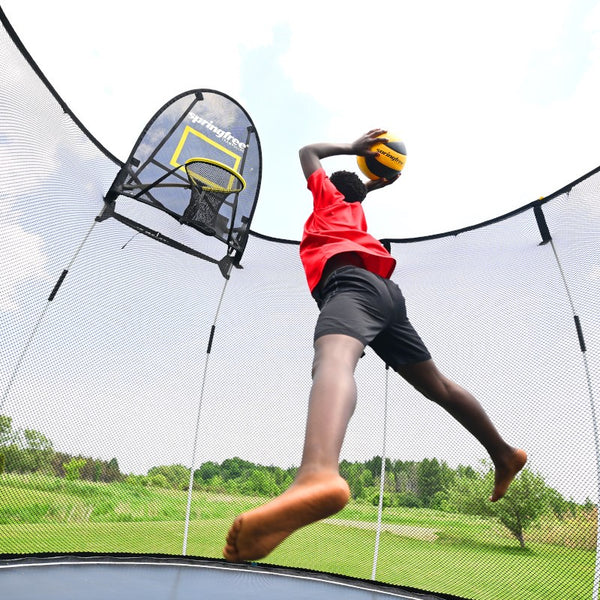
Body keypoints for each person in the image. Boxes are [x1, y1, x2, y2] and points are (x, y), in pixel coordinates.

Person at [223, 128, 527, 563]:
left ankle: (318, 473)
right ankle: (503, 453)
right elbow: (358, 189)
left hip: (350, 284)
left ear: (328, 189)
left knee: (335, 357)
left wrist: (354, 149)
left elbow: (307, 151)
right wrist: (371, 182)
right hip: (387, 293)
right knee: (436, 384)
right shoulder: (355, 212)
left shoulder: (328, 201)